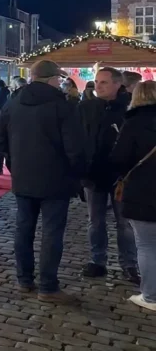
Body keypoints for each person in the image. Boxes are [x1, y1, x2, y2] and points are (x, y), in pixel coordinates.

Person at [0, 60, 86, 304]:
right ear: (50, 79)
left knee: (24, 229)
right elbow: (75, 148)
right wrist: (76, 173)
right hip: (55, 179)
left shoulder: (13, 102)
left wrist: (14, 164)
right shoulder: (61, 105)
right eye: (58, 78)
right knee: (51, 233)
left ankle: (25, 280)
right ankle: (48, 286)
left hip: (24, 177)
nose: (60, 81)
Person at [78, 67, 137, 283]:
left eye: (103, 82)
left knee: (125, 223)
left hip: (122, 176)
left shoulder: (130, 107)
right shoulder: (86, 107)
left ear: (117, 84)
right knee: (95, 221)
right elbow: (80, 138)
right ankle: (97, 261)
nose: (98, 86)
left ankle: (129, 264)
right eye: (97, 82)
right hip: (93, 174)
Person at [108, 81, 156, 311]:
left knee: (146, 245)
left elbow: (119, 158)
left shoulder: (133, 123)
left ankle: (150, 295)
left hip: (142, 191)